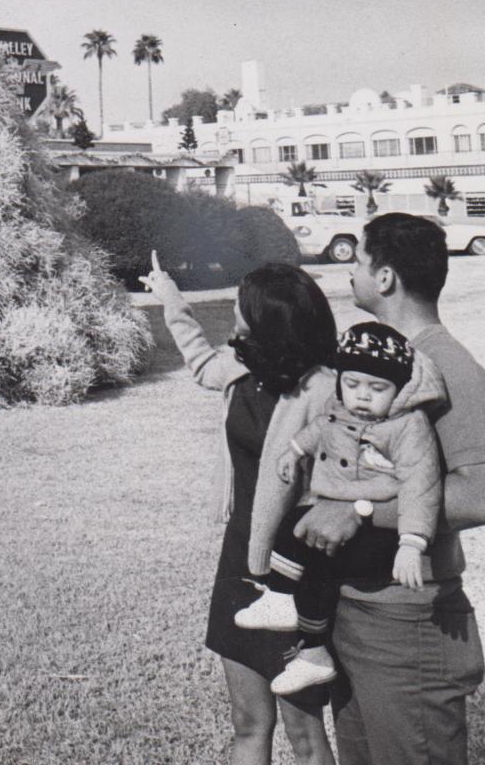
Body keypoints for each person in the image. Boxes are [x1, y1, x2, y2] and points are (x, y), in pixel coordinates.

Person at [290, 213, 485, 765]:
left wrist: (356, 510)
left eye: (358, 260)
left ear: (385, 278)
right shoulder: (378, 360)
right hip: (357, 608)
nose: (348, 271)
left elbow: (479, 493)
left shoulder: (448, 364)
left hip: (409, 622)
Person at [140, 253, 338, 765]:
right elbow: (203, 364)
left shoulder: (323, 389)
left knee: (304, 733)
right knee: (248, 724)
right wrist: (170, 297)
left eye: (241, 307)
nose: (234, 314)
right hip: (238, 559)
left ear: (269, 320)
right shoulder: (245, 366)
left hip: (293, 569)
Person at [233, 320, 445, 697]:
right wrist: (295, 451)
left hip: (377, 525)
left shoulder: (408, 426)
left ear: (400, 389)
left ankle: (310, 647)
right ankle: (292, 618)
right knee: (293, 530)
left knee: (319, 564)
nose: (362, 396)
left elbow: (421, 485)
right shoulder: (341, 408)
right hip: (332, 508)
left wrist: (412, 542)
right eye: (352, 384)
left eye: (377, 388)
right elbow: (321, 427)